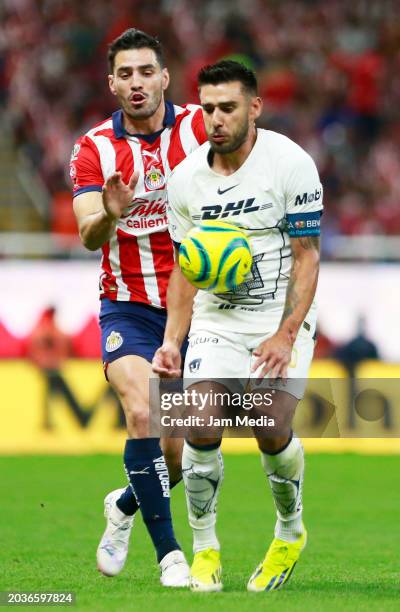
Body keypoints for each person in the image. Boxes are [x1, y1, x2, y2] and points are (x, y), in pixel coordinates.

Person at [153, 60, 323, 592]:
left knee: (269, 427)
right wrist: (171, 342)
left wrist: (285, 334)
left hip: (279, 318)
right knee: (199, 421)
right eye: (207, 109)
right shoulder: (185, 181)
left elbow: (307, 255)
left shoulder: (290, 163)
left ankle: (289, 531)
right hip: (217, 320)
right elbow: (186, 268)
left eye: (227, 108)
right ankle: (205, 549)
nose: (216, 119)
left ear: (254, 107)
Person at [70, 28, 206, 586]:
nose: (136, 83)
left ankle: (124, 505)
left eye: (146, 71)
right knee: (141, 411)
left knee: (174, 460)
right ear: (112, 84)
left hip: (197, 311)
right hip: (128, 307)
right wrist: (110, 213)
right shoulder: (93, 148)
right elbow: (86, 235)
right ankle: (171, 555)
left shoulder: (201, 128)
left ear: (164, 77)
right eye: (125, 74)